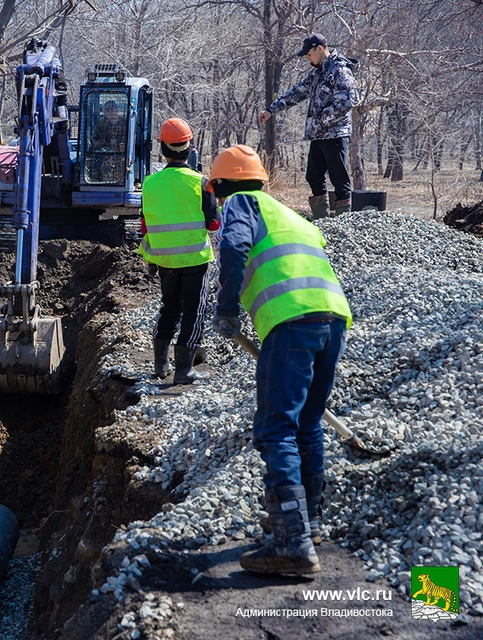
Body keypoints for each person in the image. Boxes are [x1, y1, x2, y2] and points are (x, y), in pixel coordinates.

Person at [208, 145, 353, 575]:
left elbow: (233, 248)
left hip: (290, 322)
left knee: (276, 428)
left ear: (223, 185)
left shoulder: (240, 203)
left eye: (216, 190)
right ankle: (309, 522)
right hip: (333, 318)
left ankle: (291, 543)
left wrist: (227, 308)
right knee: (307, 423)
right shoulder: (290, 214)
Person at [138, 118, 220, 383]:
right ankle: (184, 370)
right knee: (194, 310)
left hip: (164, 260)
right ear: (189, 147)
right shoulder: (201, 182)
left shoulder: (150, 184)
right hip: (195, 259)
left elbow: (145, 225)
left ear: (162, 149)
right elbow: (214, 223)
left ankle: (161, 365)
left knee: (169, 307)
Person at [259, 33, 358, 219]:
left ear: (320, 49)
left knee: (339, 179)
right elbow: (296, 93)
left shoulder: (340, 70)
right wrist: (271, 110)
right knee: (313, 176)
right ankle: (322, 220)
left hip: (336, 134)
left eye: (309, 54)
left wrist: (322, 120)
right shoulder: (317, 72)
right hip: (319, 135)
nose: (307, 58)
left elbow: (346, 101)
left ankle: (345, 222)